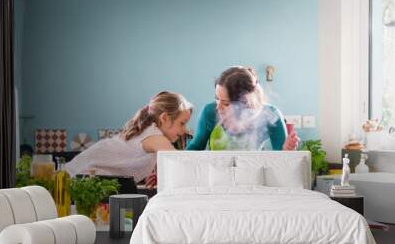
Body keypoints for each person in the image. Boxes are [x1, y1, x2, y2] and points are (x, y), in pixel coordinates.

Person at [65, 91, 193, 186]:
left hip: (79, 175)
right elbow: (179, 162)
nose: (184, 130)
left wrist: (160, 174)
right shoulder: (154, 136)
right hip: (77, 176)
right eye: (182, 123)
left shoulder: (150, 134)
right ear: (164, 118)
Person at [186, 66, 299, 151]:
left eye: (226, 103)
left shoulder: (271, 115)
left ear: (245, 105)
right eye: (217, 98)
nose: (218, 107)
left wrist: (286, 150)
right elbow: (195, 148)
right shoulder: (209, 112)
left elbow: (281, 160)